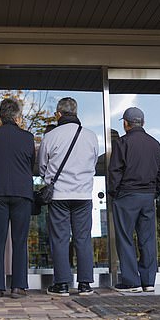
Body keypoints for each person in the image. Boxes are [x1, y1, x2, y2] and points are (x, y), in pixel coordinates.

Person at [39, 97, 98, 297]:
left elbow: (41, 166)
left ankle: (62, 284)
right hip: (83, 194)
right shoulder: (91, 136)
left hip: (58, 195)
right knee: (83, 238)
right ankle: (85, 284)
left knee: (60, 239)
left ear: (59, 113)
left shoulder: (51, 136)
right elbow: (94, 163)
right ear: (76, 111)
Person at [108, 107, 160, 293]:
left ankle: (131, 282)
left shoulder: (122, 143)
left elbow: (115, 171)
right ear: (143, 123)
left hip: (127, 195)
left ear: (125, 123)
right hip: (148, 196)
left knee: (125, 238)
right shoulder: (155, 144)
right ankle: (148, 282)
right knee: (147, 239)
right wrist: (154, 192)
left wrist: (114, 193)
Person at [0, 98, 35, 299]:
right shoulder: (28, 137)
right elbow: (31, 163)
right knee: (19, 239)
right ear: (17, 117)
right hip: (22, 191)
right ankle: (18, 286)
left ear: (1, 116)